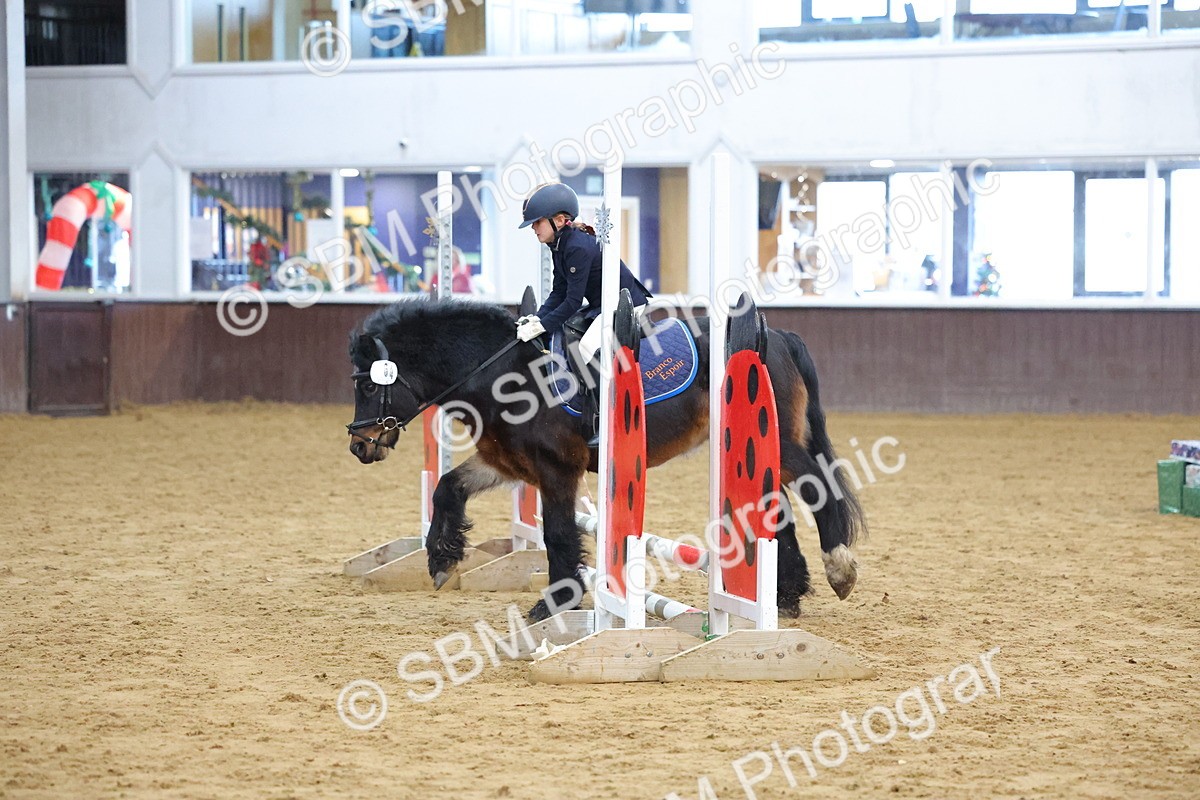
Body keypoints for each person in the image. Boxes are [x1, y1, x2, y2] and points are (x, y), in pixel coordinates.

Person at [515, 182, 651, 445]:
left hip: (625, 304)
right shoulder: (559, 246)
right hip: (604, 302)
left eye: (537, 222)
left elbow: (572, 302)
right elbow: (558, 292)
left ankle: (606, 420)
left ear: (558, 220)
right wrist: (538, 319)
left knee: (586, 348)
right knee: (569, 333)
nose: (533, 228)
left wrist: (542, 327)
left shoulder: (576, 246)